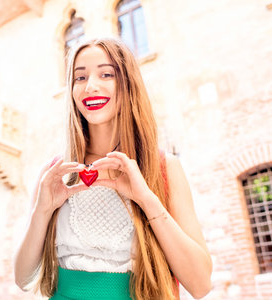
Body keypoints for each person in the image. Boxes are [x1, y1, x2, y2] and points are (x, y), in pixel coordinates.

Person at [14, 37, 212, 300]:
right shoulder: (55, 173)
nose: (90, 87)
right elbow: (23, 279)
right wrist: (42, 211)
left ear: (128, 84)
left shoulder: (164, 168)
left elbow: (200, 286)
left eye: (106, 74)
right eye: (79, 78)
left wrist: (146, 200)